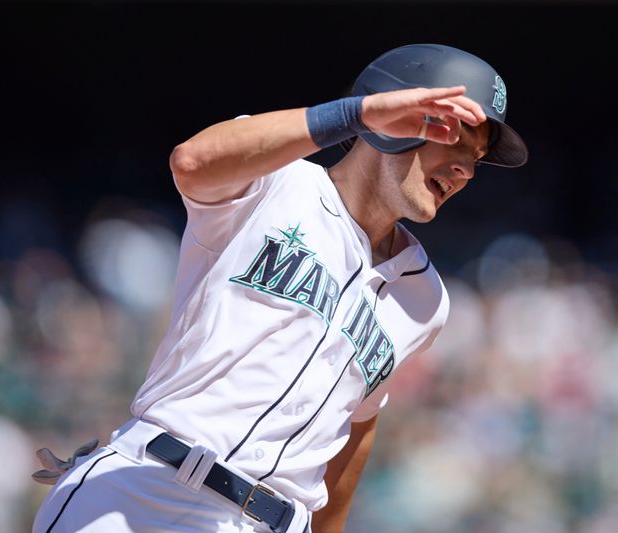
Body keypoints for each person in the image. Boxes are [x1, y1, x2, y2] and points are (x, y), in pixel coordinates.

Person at [32, 43, 528, 533]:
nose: (465, 170)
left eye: (477, 159)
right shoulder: (274, 177)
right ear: (391, 116)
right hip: (148, 492)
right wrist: (359, 114)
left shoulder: (427, 301)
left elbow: (358, 425)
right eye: (452, 139)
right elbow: (191, 162)